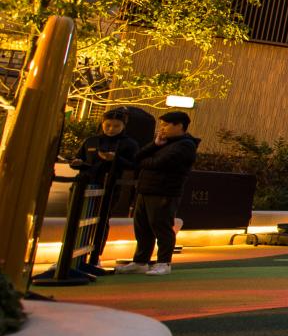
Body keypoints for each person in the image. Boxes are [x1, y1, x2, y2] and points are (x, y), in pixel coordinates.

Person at [116, 110, 200, 276]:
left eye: (166, 124)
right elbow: (138, 158)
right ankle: (140, 261)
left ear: (180, 126)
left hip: (165, 191)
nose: (162, 128)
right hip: (146, 188)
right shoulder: (163, 142)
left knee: (161, 227)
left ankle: (164, 262)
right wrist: (155, 144)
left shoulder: (186, 145)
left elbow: (160, 163)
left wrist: (144, 162)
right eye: (161, 124)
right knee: (142, 228)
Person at [73, 107, 140, 276]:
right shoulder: (91, 141)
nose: (111, 129)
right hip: (85, 184)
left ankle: (95, 256)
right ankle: (73, 254)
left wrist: (115, 159)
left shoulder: (129, 144)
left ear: (123, 126)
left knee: (102, 220)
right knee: (77, 218)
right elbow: (78, 158)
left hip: (111, 186)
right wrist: (77, 163)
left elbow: (135, 165)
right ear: (102, 124)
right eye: (108, 125)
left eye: (116, 126)